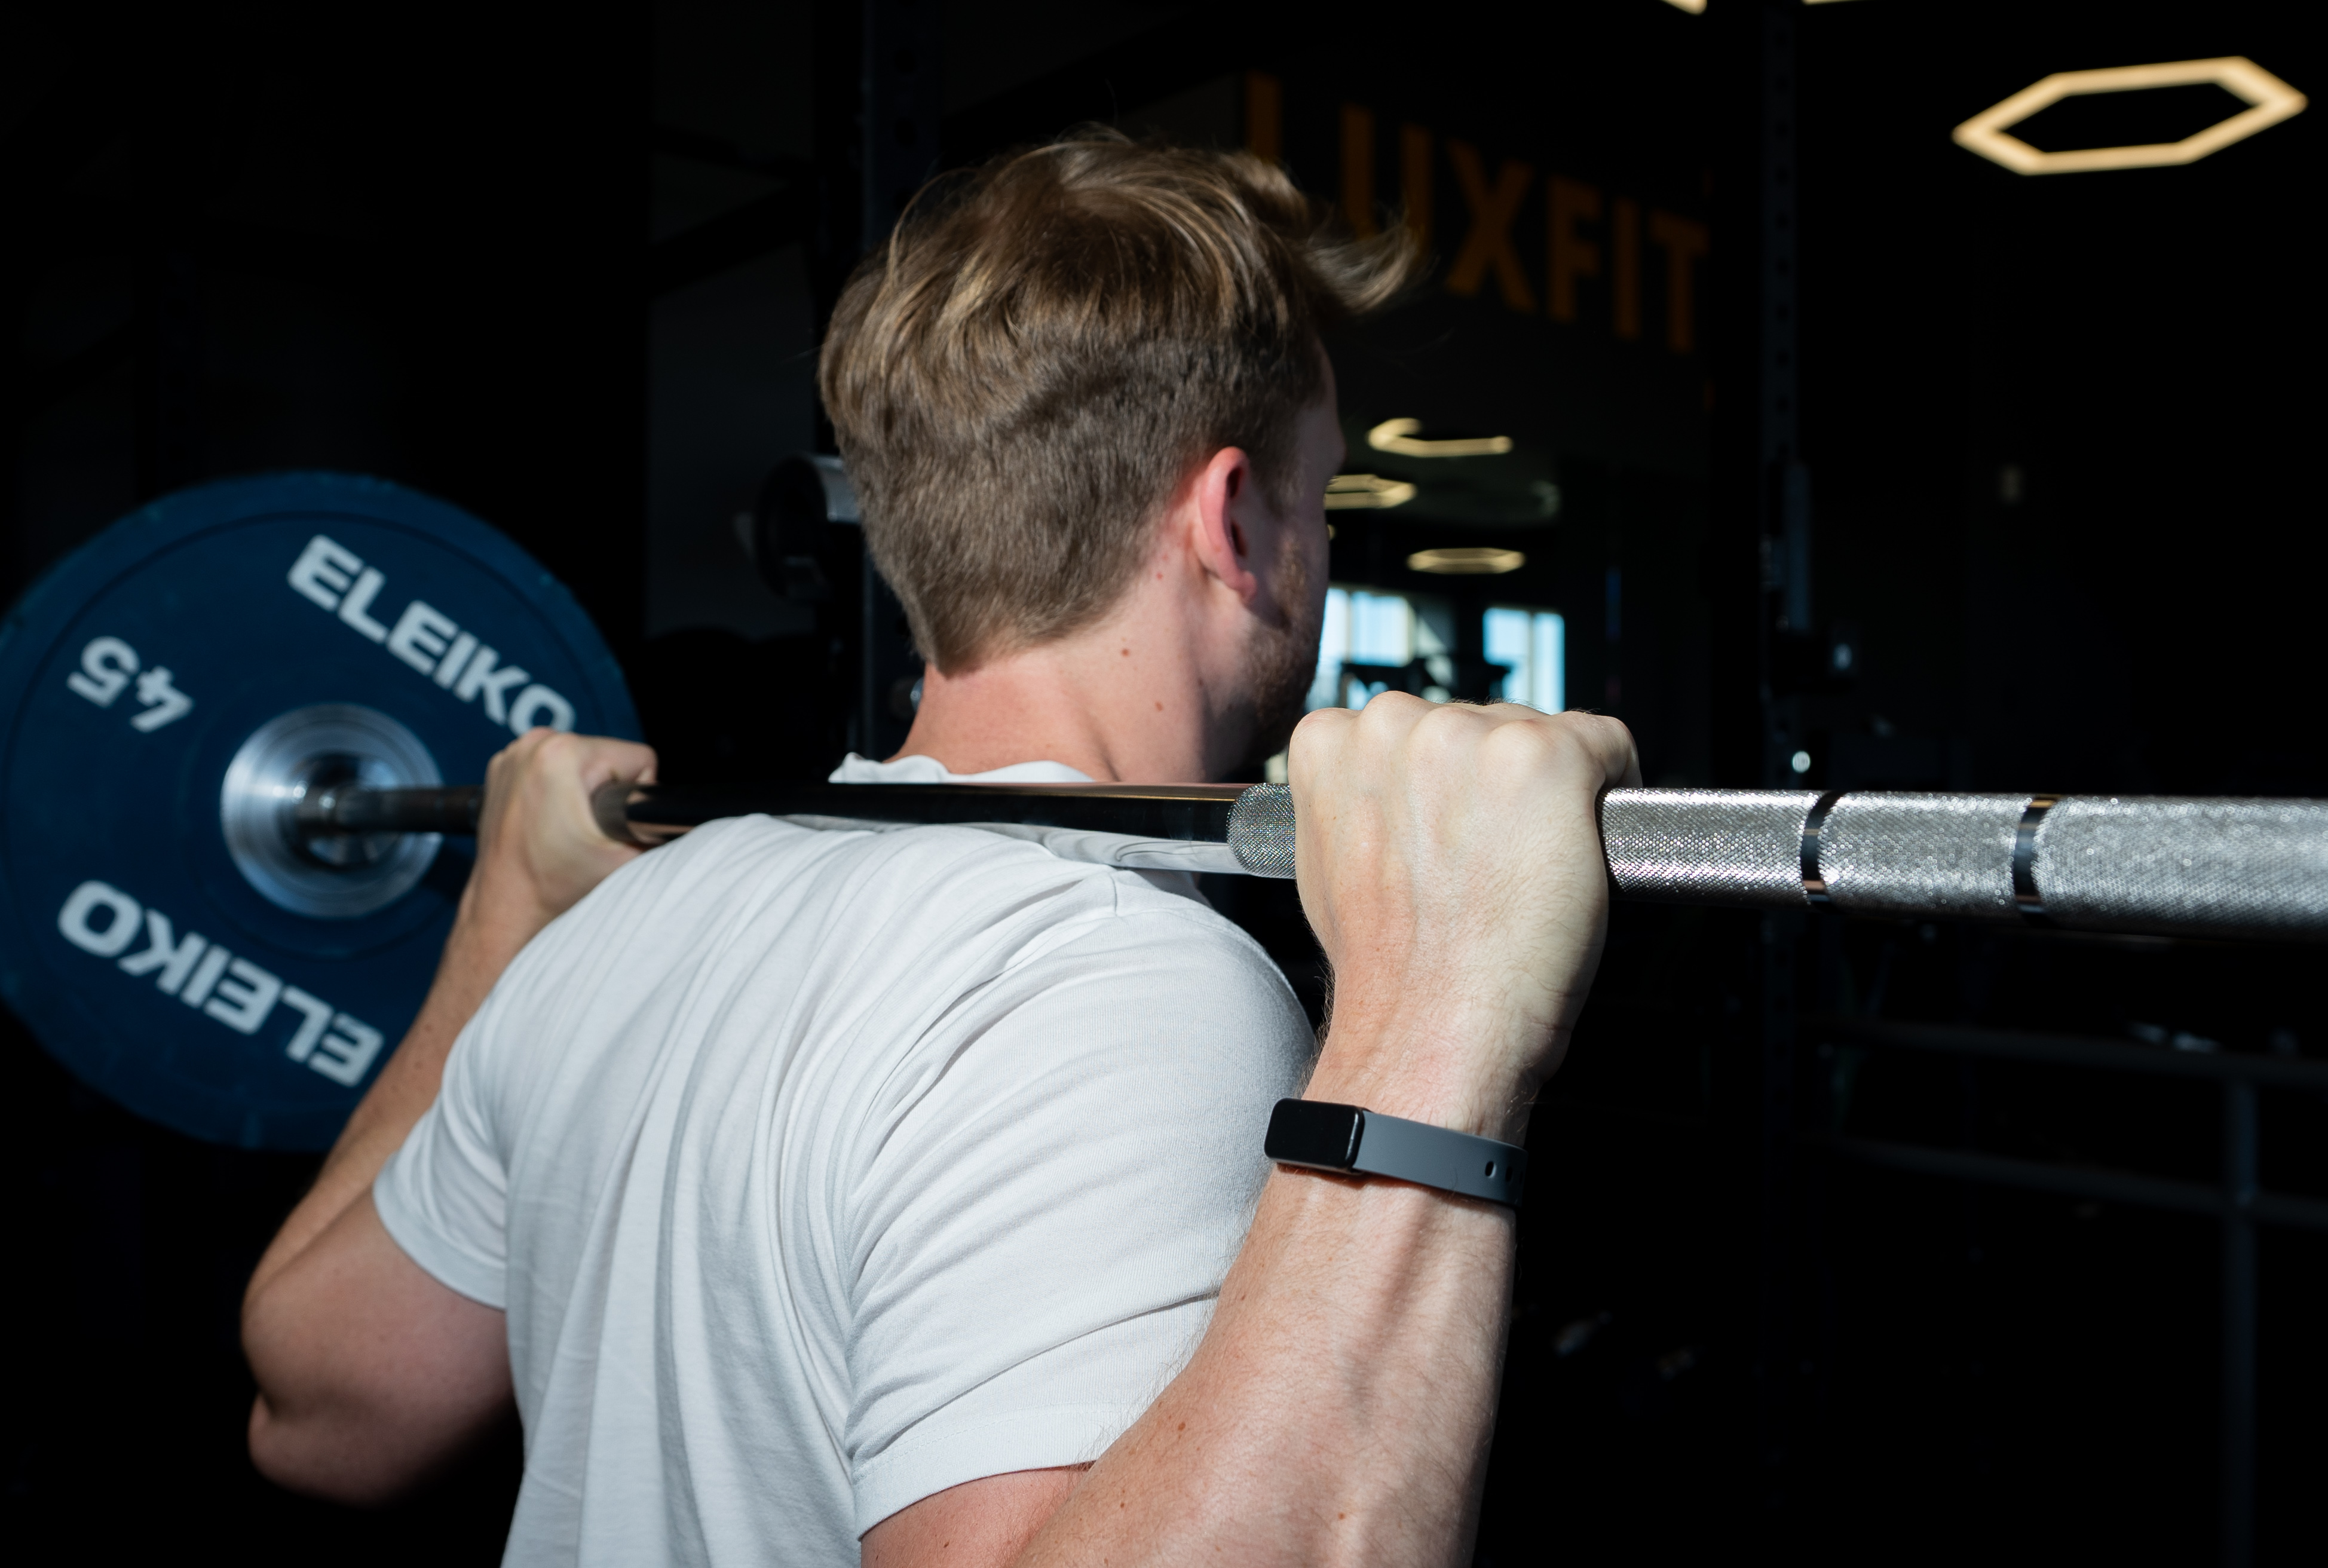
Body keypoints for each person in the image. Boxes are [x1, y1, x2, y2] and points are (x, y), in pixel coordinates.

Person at [241, 130, 1638, 1567]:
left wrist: (506, 912)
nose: (1319, 548)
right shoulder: (1114, 984)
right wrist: (1430, 1026)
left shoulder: (620, 926)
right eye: (1321, 498)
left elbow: (321, 1407)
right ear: (1233, 517)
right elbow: (331, 1421)